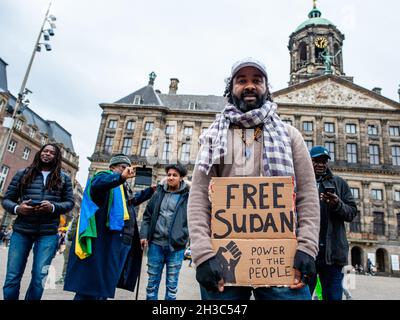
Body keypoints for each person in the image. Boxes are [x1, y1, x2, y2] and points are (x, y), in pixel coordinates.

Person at [188, 57, 320, 300]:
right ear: (231, 89)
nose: (250, 86)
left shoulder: (290, 136)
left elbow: (307, 197)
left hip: (282, 258)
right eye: (242, 81)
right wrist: (203, 255)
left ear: (266, 88)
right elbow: (198, 199)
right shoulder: (216, 137)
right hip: (223, 259)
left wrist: (307, 248)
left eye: (257, 80)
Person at [63, 154, 155, 300]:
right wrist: (120, 177)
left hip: (123, 239)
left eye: (128, 168)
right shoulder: (103, 177)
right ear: (112, 167)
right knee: (92, 283)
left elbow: (131, 202)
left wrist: (151, 190)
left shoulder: (122, 187)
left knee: (106, 284)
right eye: (123, 167)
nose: (127, 171)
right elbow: (98, 184)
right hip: (105, 240)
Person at [1, 143, 75, 300]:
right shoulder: (23, 173)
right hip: (22, 231)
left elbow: (69, 203)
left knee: (39, 279)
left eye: (51, 152)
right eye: (45, 151)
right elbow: (7, 199)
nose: (47, 154)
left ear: (57, 157)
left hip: (47, 234)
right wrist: (17, 209)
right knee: (12, 277)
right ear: (40, 153)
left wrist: (53, 207)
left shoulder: (64, 178)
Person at [307, 146, 357, 300]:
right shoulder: (301, 183)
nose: (321, 164)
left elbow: (351, 213)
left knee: (333, 297)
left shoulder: (339, 183)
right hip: (308, 252)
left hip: (333, 254)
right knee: (301, 296)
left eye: (324, 161)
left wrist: (337, 204)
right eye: (316, 160)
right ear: (309, 161)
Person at [140, 163, 190, 300]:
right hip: (156, 244)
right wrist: (144, 235)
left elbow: (194, 218)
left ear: (181, 178)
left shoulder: (187, 196)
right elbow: (147, 216)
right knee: (151, 286)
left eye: (174, 175)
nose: (171, 177)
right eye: (169, 175)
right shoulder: (158, 193)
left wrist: (184, 234)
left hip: (176, 248)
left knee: (172, 288)